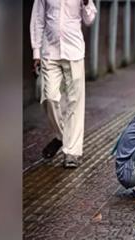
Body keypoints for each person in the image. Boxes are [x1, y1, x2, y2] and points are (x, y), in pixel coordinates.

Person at [30, 0, 97, 168]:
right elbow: (37, 19)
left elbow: (89, 20)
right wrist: (36, 52)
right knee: (49, 97)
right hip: (49, 51)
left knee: (75, 102)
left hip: (74, 51)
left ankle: (71, 152)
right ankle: (61, 136)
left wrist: (87, 3)